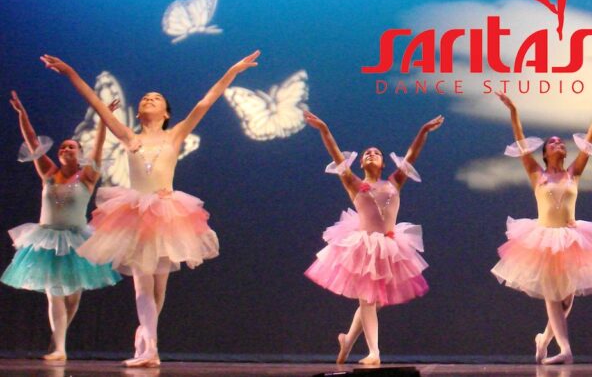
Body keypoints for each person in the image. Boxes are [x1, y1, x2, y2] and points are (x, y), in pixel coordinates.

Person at [42, 51, 260, 367]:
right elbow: (98, 104)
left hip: (167, 212)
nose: (148, 100)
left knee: (159, 288)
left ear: (166, 112)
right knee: (142, 284)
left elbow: (205, 103)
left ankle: (145, 336)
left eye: (155, 99)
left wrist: (233, 71)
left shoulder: (176, 134)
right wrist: (71, 72)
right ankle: (150, 351)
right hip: (134, 212)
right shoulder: (128, 136)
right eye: (145, 98)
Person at [490, 91, 592, 365]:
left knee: (566, 300)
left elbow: (588, 143)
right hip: (543, 238)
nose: (558, 145)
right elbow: (520, 142)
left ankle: (544, 339)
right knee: (553, 296)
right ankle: (565, 350)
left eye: (561, 143)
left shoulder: (574, 172)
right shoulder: (535, 173)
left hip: (571, 237)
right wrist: (513, 110)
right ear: (545, 152)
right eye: (553, 143)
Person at [304, 110, 443, 366]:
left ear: (382, 163)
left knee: (374, 300)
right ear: (360, 163)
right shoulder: (353, 182)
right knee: (367, 299)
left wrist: (423, 131)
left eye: (376, 153)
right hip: (364, 246)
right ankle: (374, 352)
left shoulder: (395, 181)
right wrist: (324, 129)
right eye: (367, 153)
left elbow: (412, 155)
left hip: (389, 245)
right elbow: (335, 154)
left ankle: (347, 341)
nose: (371, 154)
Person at [2, 91, 122, 361]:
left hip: (77, 239)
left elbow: (100, 146)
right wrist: (23, 115)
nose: (65, 149)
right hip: (46, 239)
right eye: (62, 147)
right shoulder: (48, 172)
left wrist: (104, 119)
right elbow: (32, 141)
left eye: (71, 147)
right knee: (54, 293)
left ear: (80, 154)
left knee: (73, 296)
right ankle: (60, 348)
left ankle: (59, 338)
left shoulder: (88, 176)